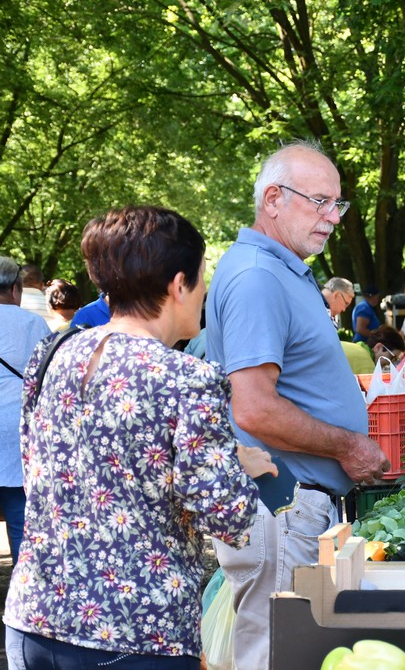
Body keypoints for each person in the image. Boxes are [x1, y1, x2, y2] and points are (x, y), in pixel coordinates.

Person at [3, 207, 273, 669]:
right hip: (134, 633)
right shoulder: (186, 377)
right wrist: (237, 465)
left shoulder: (53, 353)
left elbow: (42, 469)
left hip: (34, 618)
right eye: (202, 279)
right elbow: (227, 516)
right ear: (178, 284)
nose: (204, 293)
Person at [205, 140, 390, 670]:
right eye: (320, 202)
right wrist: (348, 442)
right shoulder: (258, 276)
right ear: (273, 199)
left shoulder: (279, 269)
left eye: (339, 205)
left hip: (294, 505)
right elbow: (255, 410)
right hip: (282, 505)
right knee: (276, 655)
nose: (333, 218)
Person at [0, 256, 51, 568]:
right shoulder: (34, 324)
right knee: (21, 518)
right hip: (18, 427)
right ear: (16, 290)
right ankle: (23, 595)